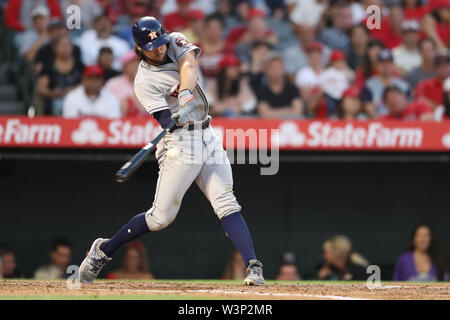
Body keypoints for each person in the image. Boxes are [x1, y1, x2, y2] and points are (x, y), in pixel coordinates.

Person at [78, 16, 265, 286]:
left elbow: (189, 65)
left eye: (160, 43)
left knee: (226, 203)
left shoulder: (174, 40)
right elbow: (166, 121)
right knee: (160, 218)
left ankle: (253, 266)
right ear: (139, 48)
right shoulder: (143, 82)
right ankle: (103, 250)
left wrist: (186, 93)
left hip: (208, 134)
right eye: (151, 47)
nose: (159, 49)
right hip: (180, 144)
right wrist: (178, 116)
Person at [35, 34, 84, 115]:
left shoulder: (79, 65)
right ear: (55, 47)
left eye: (69, 45)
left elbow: (86, 84)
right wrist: (53, 93)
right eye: (63, 45)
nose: (66, 48)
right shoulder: (48, 66)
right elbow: (41, 88)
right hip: (54, 100)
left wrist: (73, 90)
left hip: (77, 100)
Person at [361, 49, 410, 117]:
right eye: (382, 63)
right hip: (378, 118)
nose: (385, 66)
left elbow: (408, 104)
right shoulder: (369, 84)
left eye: (388, 63)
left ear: (393, 65)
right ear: (377, 65)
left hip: (400, 119)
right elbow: (367, 105)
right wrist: (380, 120)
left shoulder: (403, 85)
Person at [257, 54, 303, 118]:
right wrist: (288, 110)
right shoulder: (262, 90)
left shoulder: (292, 88)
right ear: (267, 70)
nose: (276, 71)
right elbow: (264, 113)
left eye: (278, 67)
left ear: (283, 69)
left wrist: (272, 112)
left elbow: (297, 111)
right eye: (273, 68)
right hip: (269, 127)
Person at [105, 51, 146, 117]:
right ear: (124, 67)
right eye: (132, 63)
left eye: (138, 62)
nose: (136, 66)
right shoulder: (112, 84)